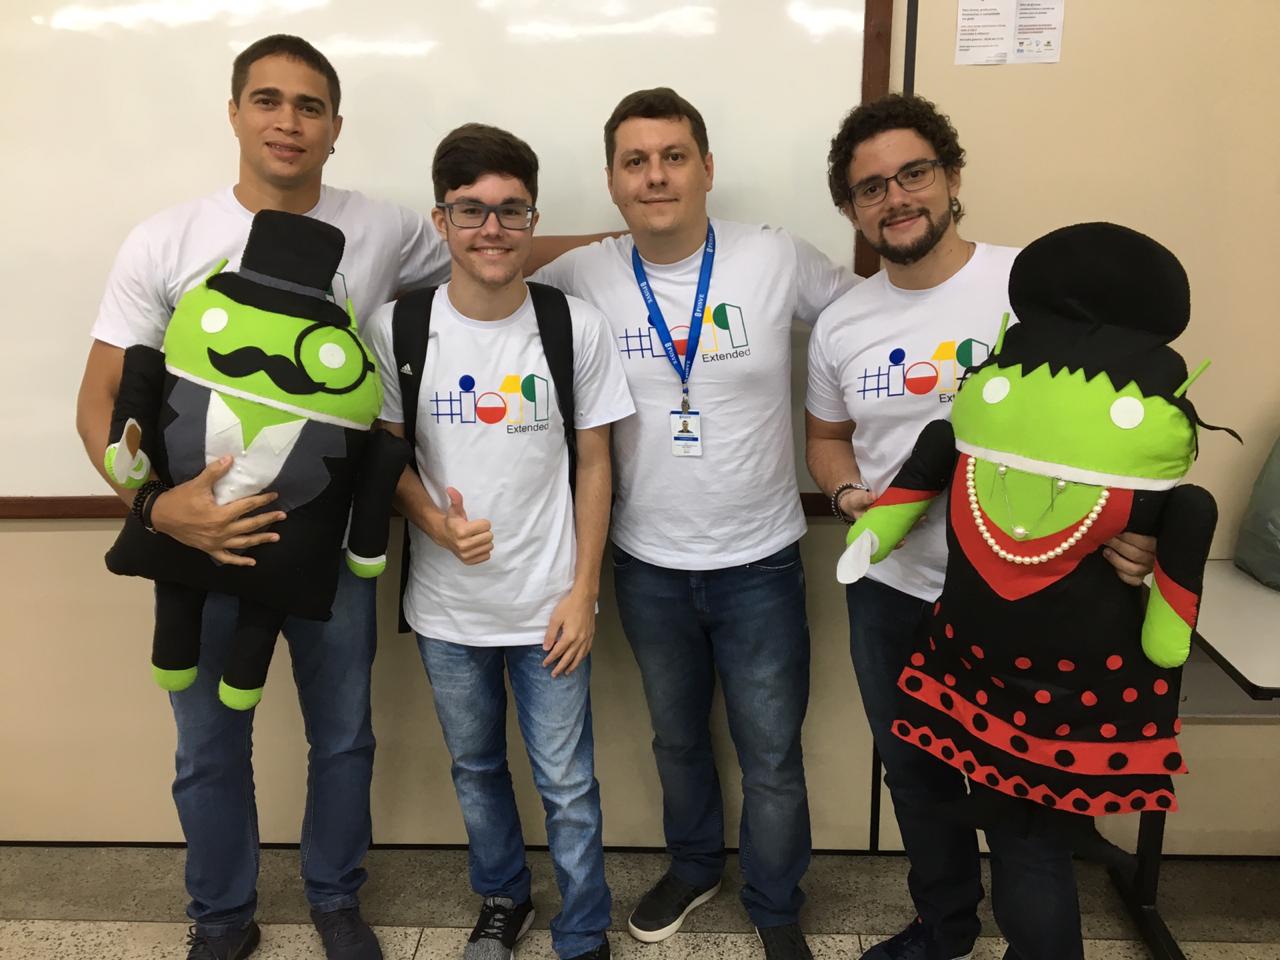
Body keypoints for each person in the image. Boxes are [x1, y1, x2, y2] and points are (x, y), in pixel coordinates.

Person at [74, 34, 591, 960]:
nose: (288, 122)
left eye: (309, 106)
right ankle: (221, 916)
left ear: (336, 127)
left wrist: (625, 249)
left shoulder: (386, 230)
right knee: (208, 745)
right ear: (234, 113)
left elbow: (487, 246)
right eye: (268, 100)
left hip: (331, 548)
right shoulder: (165, 240)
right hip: (202, 542)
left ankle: (335, 898)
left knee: (344, 737)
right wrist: (153, 510)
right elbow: (103, 399)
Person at [804, 93, 1158, 960]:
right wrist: (849, 497)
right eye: (870, 187)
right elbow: (826, 438)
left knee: (1023, 810)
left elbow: (1130, 429)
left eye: (913, 173)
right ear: (851, 210)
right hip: (892, 593)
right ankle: (945, 929)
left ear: (952, 175)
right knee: (916, 778)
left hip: (1030, 603)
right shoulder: (842, 321)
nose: (895, 198)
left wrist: (1137, 529)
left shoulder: (1033, 290)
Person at [534, 87, 857, 960]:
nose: (656, 176)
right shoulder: (585, 274)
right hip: (646, 562)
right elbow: (492, 274)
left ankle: (776, 902)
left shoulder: (774, 256)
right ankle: (694, 865)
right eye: (635, 162)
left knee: (771, 753)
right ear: (612, 180)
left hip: (761, 561)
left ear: (707, 167)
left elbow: (867, 320)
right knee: (676, 738)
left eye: (674, 157)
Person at [368, 123, 633, 960]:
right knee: (476, 769)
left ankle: (582, 925)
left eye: (511, 210)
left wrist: (585, 592)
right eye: (471, 209)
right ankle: (502, 898)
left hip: (550, 606)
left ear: (532, 219)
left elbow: (596, 462)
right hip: (448, 611)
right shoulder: (397, 328)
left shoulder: (573, 326)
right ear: (441, 220)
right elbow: (387, 458)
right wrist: (433, 523)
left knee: (568, 781)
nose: (492, 228)